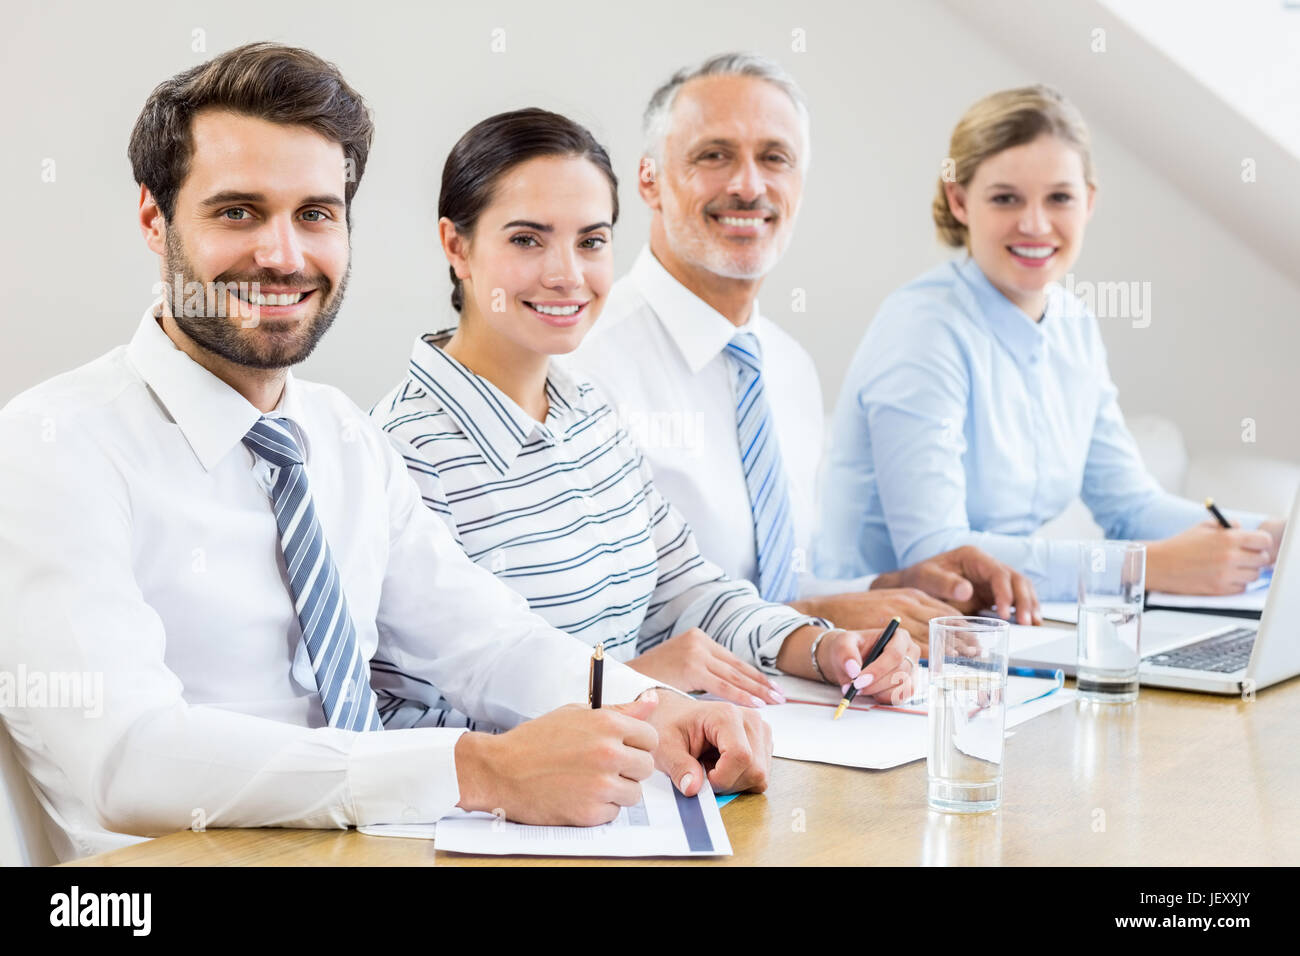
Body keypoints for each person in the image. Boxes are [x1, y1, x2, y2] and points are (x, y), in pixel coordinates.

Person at [0, 43, 770, 863]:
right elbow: (127, 758)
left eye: (315, 214)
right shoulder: (55, 448)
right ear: (155, 219)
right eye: (237, 212)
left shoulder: (340, 438)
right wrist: (475, 769)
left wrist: (653, 710)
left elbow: (485, 640)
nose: (284, 255)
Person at [371, 108, 920, 718]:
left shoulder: (589, 415)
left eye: (591, 241)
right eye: (527, 239)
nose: (567, 275)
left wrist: (819, 648)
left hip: (648, 784)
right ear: (457, 246)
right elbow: (396, 718)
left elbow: (684, 590)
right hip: (529, 810)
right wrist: (628, 689)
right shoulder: (401, 454)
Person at [571, 53, 1040, 632]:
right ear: (650, 180)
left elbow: (776, 584)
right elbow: (592, 632)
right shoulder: (583, 364)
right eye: (714, 155)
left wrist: (890, 588)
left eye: (775, 158)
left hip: (801, 702)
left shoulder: (788, 367)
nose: (749, 185)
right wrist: (810, 618)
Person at [817, 84, 1286, 601]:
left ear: (1089, 202)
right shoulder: (923, 329)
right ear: (960, 200)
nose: (1035, 223)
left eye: (1059, 197)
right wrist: (1143, 568)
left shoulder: (1074, 325)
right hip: (878, 641)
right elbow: (936, 555)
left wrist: (1273, 540)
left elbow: (1128, 506)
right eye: (1005, 198)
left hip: (1000, 629)